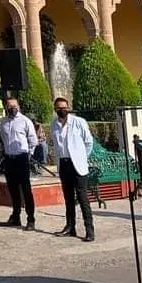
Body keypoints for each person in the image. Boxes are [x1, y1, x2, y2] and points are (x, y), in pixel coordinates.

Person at [50, 97, 96, 242]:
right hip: (64, 164)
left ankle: (89, 230)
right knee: (68, 198)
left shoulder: (78, 122)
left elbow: (88, 142)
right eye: (59, 108)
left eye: (64, 108)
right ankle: (70, 227)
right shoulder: (54, 125)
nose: (61, 110)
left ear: (68, 108)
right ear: (55, 109)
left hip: (77, 165)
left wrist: (81, 157)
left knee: (82, 198)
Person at [0, 97, 38, 231]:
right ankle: (15, 217)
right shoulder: (3, 122)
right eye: (9, 106)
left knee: (26, 190)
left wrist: (28, 155)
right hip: (9, 159)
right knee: (13, 189)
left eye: (14, 105)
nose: (12, 108)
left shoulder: (25, 121)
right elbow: (3, 139)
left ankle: (31, 219)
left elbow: (33, 140)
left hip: (22, 158)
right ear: (6, 107)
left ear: (19, 106)